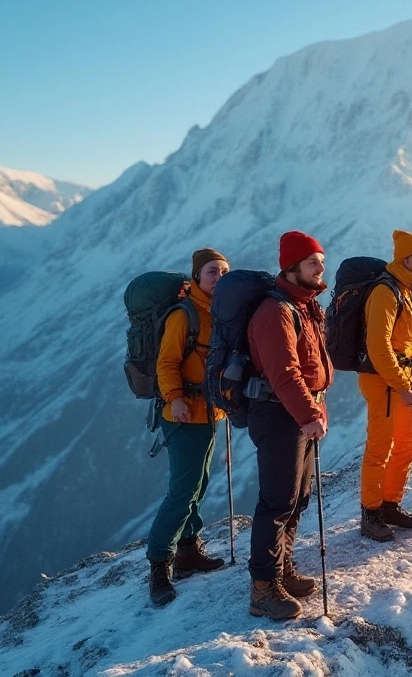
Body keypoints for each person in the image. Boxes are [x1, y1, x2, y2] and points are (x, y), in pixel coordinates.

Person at [246, 231, 333, 620]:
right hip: (278, 414)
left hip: (300, 413)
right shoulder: (275, 312)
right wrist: (310, 415)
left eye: (321, 261)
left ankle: (282, 569)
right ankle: (263, 588)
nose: (320, 268)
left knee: (298, 498)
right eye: (313, 262)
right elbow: (284, 374)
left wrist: (316, 410)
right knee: (277, 501)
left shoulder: (305, 306)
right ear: (292, 268)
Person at [146, 248, 230, 607]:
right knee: (182, 491)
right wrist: (175, 397)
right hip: (182, 414)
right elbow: (166, 362)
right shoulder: (185, 315)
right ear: (196, 277)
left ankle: (188, 551)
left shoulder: (220, 312)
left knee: (198, 484)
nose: (220, 277)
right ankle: (159, 566)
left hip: (209, 412)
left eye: (225, 271)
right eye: (213, 271)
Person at [358, 230, 412, 542]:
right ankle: (370, 513)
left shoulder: (407, 290)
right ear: (403, 259)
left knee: (406, 444)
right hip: (383, 381)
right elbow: (378, 346)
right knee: (380, 448)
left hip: (402, 379)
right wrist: (401, 385)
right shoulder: (386, 292)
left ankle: (390, 504)